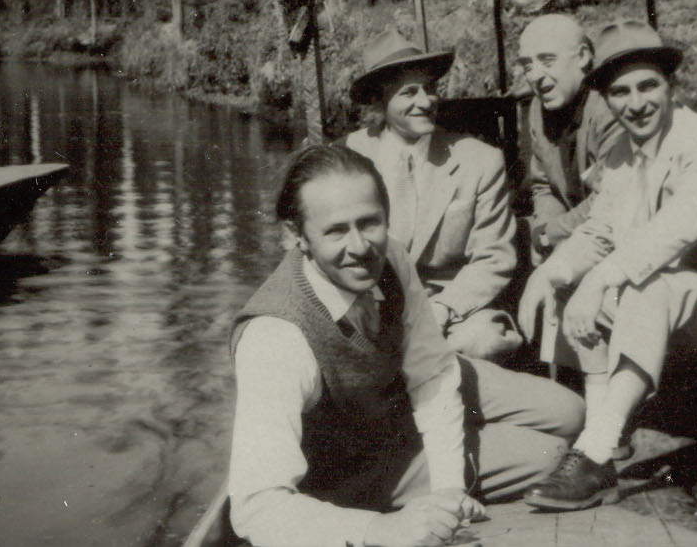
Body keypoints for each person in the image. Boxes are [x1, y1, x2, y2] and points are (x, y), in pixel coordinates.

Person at [227, 145, 584, 546]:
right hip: (357, 459)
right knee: (549, 455)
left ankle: (447, 446)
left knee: (570, 412)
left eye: (370, 222)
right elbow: (255, 505)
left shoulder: (390, 256)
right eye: (336, 230)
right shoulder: (275, 337)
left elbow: (432, 372)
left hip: (398, 393)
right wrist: (378, 528)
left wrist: (448, 488)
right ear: (296, 236)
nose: (360, 247)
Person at [515, 20, 697, 511]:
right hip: (677, 292)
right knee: (578, 283)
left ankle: (596, 448)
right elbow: (602, 231)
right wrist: (551, 274)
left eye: (649, 86)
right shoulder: (623, 154)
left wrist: (599, 280)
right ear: (606, 97)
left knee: (642, 289)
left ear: (671, 88)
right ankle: (603, 441)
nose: (636, 102)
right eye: (621, 92)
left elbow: (674, 233)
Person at [343, 29, 520, 360]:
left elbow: (494, 257)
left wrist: (442, 309)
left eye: (430, 89)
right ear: (379, 102)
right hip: (375, 307)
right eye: (409, 93)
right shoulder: (348, 158)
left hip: (455, 309)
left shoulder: (479, 160)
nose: (425, 102)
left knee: (486, 340)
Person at [516, 14, 623, 258]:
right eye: (527, 65)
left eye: (547, 60)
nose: (534, 75)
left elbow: (609, 198)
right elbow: (544, 185)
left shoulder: (611, 106)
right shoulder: (537, 108)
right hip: (572, 237)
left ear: (583, 57)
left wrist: (549, 234)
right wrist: (544, 234)